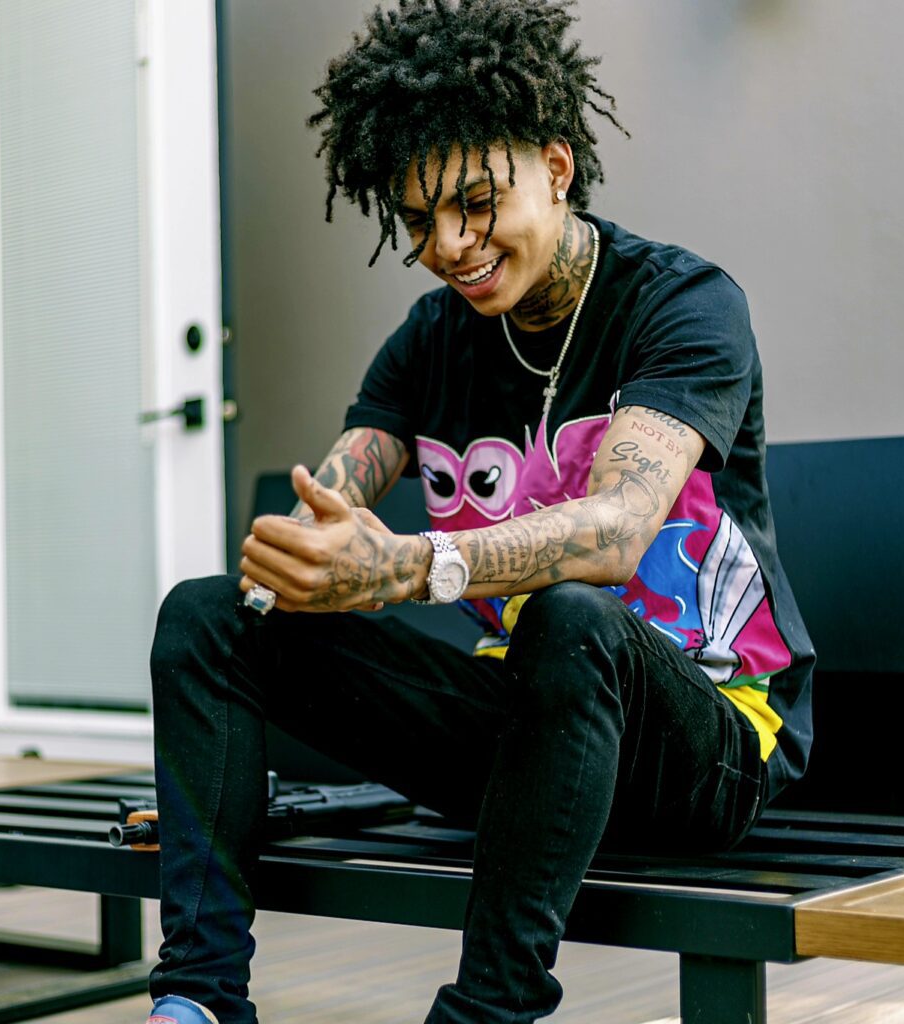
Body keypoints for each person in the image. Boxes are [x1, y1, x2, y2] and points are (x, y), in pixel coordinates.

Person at [145, 1, 814, 1022]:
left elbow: (616, 530)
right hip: (524, 735)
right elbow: (338, 497)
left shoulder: (682, 304)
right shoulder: (431, 340)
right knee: (206, 618)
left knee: (574, 614)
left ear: (556, 166)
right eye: (419, 221)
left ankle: (487, 1012)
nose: (449, 245)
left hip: (706, 746)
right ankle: (196, 1001)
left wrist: (409, 565)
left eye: (474, 203)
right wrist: (309, 552)